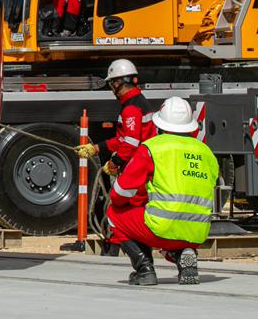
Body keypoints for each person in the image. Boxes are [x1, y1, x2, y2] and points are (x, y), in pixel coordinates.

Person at [106, 96, 218, 286]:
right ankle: (182, 253)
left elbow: (120, 192)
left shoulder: (152, 148)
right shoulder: (206, 152)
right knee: (174, 229)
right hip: (198, 231)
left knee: (114, 215)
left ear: (161, 123)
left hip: (162, 227)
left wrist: (127, 202)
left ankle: (145, 270)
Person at [74, 59, 156, 176]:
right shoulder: (138, 100)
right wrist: (96, 148)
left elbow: (130, 143)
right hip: (143, 161)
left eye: (111, 84)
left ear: (117, 84)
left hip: (139, 165)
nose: (111, 89)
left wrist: (114, 162)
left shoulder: (131, 109)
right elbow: (123, 139)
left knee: (122, 193)